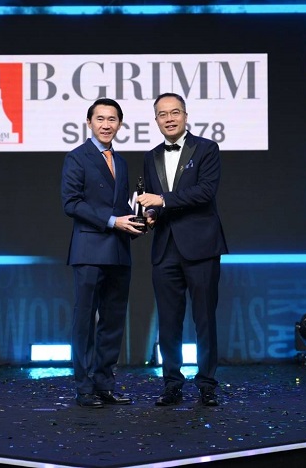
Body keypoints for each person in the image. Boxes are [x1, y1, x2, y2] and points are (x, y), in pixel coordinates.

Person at [136, 92, 228, 407]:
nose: (170, 119)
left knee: (205, 319)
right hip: (165, 248)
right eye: (163, 114)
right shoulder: (150, 156)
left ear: (185, 116)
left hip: (201, 246)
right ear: (156, 120)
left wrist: (162, 200)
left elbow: (205, 192)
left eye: (175, 112)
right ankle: (172, 385)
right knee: (168, 322)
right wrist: (150, 214)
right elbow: (153, 199)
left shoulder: (207, 149)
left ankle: (207, 385)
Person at [61, 97, 145, 408]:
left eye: (112, 119)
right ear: (89, 123)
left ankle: (104, 385)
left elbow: (120, 207)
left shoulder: (120, 162)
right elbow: (71, 203)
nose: (106, 125)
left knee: (113, 322)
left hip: (119, 251)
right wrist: (113, 221)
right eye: (100, 119)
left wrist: (137, 221)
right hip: (89, 250)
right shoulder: (76, 157)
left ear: (120, 124)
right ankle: (84, 388)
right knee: (84, 322)